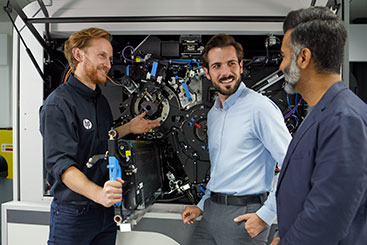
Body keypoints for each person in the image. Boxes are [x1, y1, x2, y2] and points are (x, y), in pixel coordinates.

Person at [39, 27, 160, 245]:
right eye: (101, 55)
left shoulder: (100, 101)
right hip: (74, 214)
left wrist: (130, 127)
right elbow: (60, 165)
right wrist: (97, 194)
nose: (108, 63)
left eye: (110, 58)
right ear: (78, 55)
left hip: (104, 213)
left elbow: (103, 138)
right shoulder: (59, 104)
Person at [181, 34, 292, 244]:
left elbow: (292, 163)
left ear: (241, 66)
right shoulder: (214, 114)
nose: (226, 72)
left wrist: (266, 215)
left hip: (245, 216)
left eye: (231, 63)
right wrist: (202, 206)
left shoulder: (260, 108)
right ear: (207, 72)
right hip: (211, 211)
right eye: (217, 66)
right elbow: (220, 171)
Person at [272, 6, 367, 245]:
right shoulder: (325, 111)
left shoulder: (343, 119)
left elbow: (327, 216)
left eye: (284, 56)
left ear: (303, 58)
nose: (281, 67)